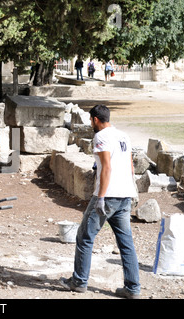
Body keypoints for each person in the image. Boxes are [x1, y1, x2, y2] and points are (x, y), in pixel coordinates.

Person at [59, 104, 141, 299]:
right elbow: (130, 165)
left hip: (109, 195)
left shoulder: (101, 137)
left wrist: (101, 197)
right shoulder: (123, 136)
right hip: (125, 195)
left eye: (90, 120)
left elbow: (106, 168)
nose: (90, 123)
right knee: (126, 242)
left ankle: (79, 282)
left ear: (96, 119)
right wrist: (131, 190)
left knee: (84, 237)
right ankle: (133, 288)